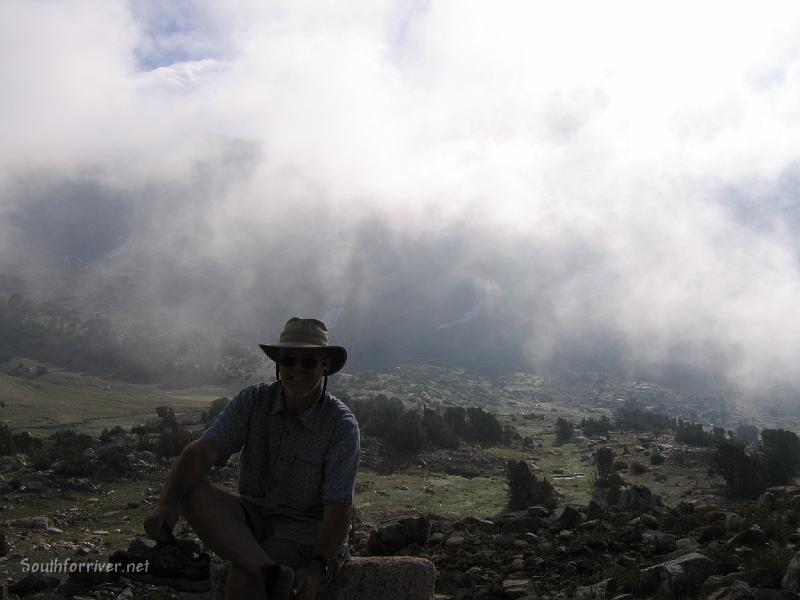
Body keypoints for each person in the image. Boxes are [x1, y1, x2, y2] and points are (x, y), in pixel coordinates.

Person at [143, 317, 360, 600]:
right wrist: (165, 503)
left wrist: (318, 565)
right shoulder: (255, 400)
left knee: (242, 584)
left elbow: (339, 507)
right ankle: (270, 571)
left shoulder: (340, 425)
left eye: (308, 362)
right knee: (190, 490)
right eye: (289, 360)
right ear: (278, 364)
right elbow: (204, 450)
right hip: (255, 516)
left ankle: (261, 571)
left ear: (324, 366)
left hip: (304, 531)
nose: (297, 369)